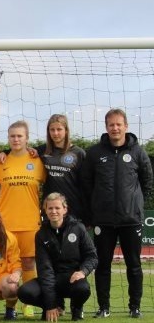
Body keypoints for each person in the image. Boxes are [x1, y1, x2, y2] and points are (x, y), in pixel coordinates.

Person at [82, 108, 153, 319]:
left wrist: (137, 204)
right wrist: (94, 208)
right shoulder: (95, 153)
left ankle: (135, 307)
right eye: (111, 125)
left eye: (118, 124)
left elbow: (147, 182)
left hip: (131, 220)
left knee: (134, 265)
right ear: (106, 127)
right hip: (103, 221)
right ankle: (104, 307)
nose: (115, 128)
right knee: (103, 266)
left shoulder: (138, 152)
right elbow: (86, 184)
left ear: (126, 126)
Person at [18, 193, 98, 322]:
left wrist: (83, 272)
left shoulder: (78, 228)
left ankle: (76, 308)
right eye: (50, 208)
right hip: (51, 278)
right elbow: (45, 269)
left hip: (72, 279)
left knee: (83, 289)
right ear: (45, 210)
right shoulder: (41, 234)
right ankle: (52, 307)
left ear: (64, 209)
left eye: (57, 208)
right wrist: (50, 304)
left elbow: (92, 256)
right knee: (24, 292)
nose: (53, 211)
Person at [0, 120, 46, 317]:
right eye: (12, 136)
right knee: (7, 265)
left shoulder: (38, 162)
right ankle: (10, 307)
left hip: (30, 222)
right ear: (8, 139)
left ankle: (29, 303)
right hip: (5, 224)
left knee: (28, 264)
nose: (16, 139)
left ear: (27, 138)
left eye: (19, 136)